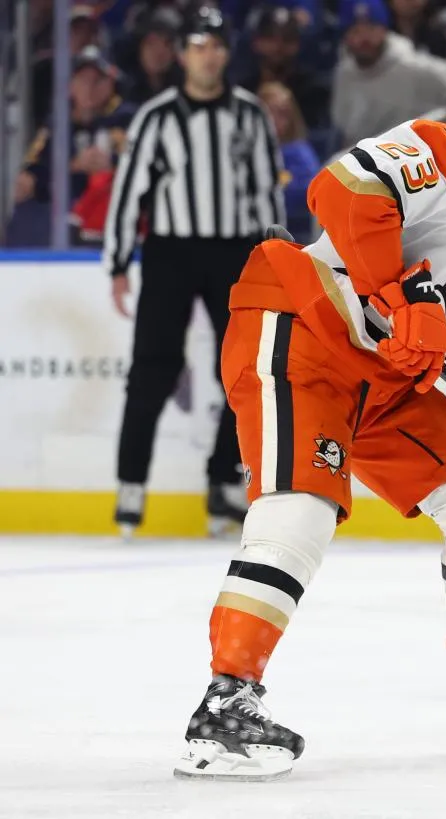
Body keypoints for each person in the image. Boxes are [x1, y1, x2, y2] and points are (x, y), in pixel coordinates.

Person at [173, 53, 446, 782]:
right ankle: (225, 706)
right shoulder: (443, 150)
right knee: (300, 510)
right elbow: (342, 191)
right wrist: (395, 293)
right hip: (305, 331)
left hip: (387, 382)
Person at [103, 6, 284, 537]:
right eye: (199, 46)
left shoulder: (250, 115)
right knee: (152, 368)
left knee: (243, 370)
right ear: (182, 54)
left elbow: (266, 194)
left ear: (228, 53)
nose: (210, 56)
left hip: (234, 252)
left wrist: (272, 260)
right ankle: (130, 484)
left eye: (218, 46)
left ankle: (223, 479)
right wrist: (117, 264)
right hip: (170, 252)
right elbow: (127, 193)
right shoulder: (156, 117)